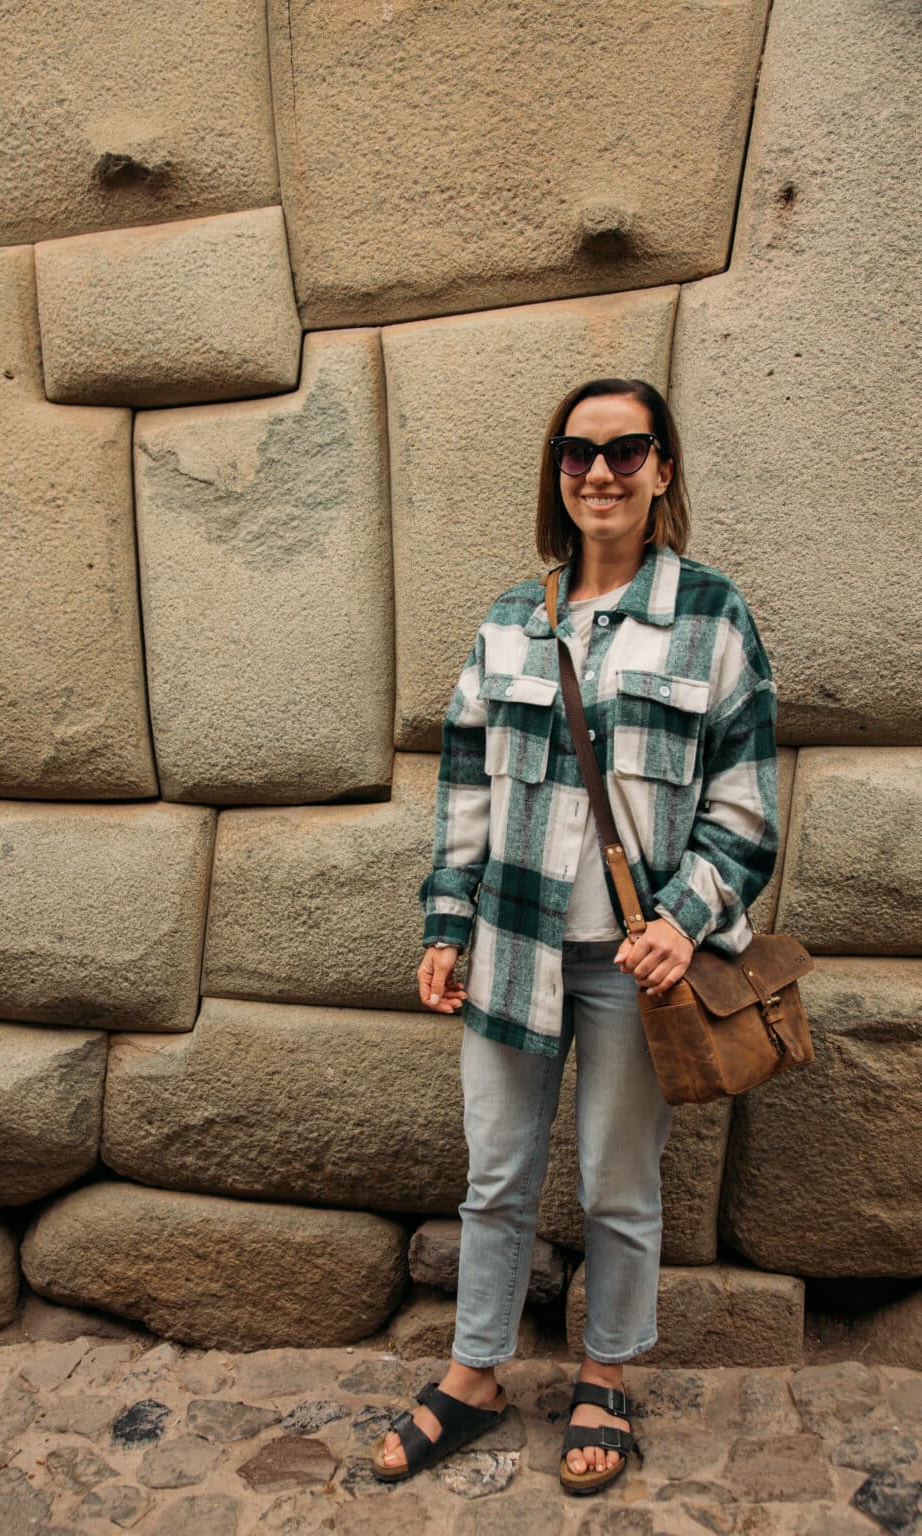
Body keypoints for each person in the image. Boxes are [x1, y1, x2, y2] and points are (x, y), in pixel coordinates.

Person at [370, 377, 779, 1496]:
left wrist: (686, 921)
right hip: (510, 945)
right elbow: (466, 788)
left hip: (635, 971)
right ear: (556, 472)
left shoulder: (711, 616)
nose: (599, 472)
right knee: (495, 1177)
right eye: (576, 452)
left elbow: (745, 809)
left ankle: (606, 1374)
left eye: (625, 450)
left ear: (662, 470)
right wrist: (445, 922)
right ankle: (473, 1374)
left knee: (616, 1185)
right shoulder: (512, 619)